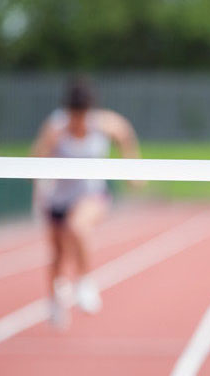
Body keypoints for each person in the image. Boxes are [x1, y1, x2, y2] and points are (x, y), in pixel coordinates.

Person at [31, 76, 142, 329]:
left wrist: (132, 170)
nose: (78, 121)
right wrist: (39, 183)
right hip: (58, 199)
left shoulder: (103, 123)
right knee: (58, 256)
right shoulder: (55, 127)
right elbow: (35, 160)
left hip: (91, 196)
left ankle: (85, 281)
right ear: (67, 111)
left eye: (82, 115)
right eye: (74, 115)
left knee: (78, 226)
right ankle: (54, 303)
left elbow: (125, 134)